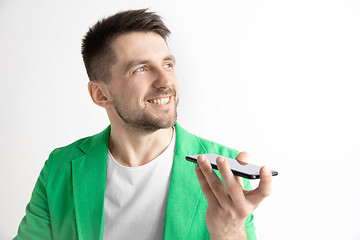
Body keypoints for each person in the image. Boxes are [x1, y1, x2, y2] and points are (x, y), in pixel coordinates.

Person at [14, 9, 272, 240]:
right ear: (100, 94)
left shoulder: (223, 170)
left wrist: (229, 233)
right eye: (141, 69)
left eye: (167, 64)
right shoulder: (60, 167)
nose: (165, 81)